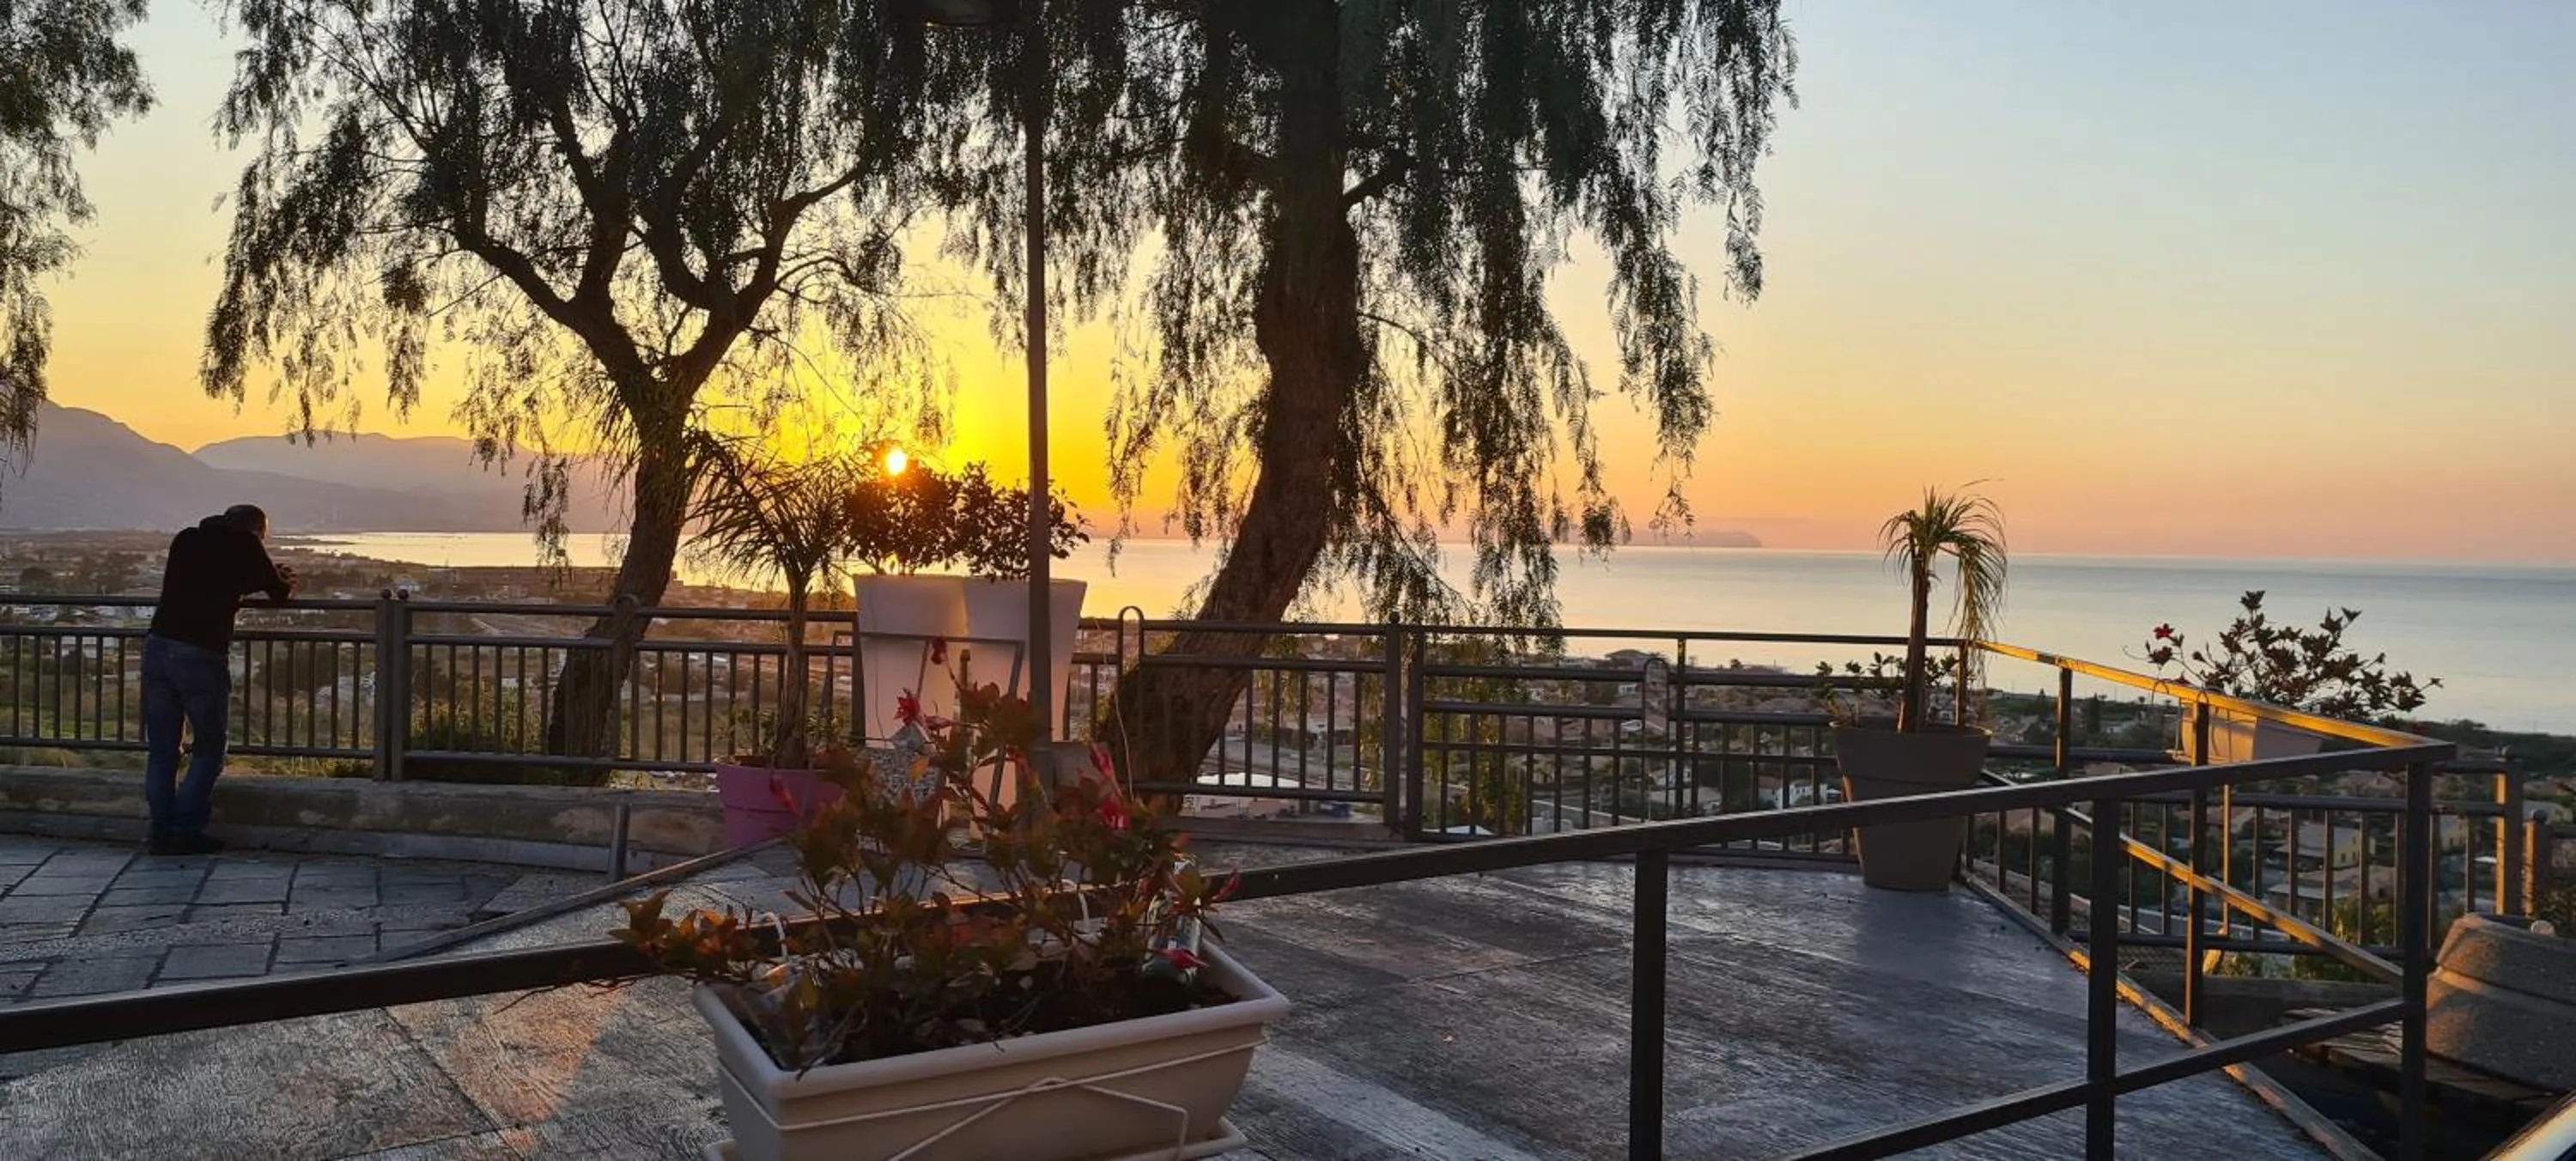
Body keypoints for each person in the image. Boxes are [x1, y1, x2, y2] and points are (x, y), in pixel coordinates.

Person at [143, 505, 296, 855]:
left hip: (158, 645)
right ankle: (186, 830)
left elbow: (209, 581)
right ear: (256, 530)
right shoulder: (245, 544)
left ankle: (161, 832)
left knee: (163, 751)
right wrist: (280, 576)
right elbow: (278, 592)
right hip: (200, 654)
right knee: (210, 749)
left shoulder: (188, 539)